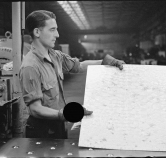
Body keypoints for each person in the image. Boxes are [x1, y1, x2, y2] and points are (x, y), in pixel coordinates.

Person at [19, 10, 125, 139]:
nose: (57, 34)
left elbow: (79, 66)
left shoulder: (55, 55)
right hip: (41, 130)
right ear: (37, 32)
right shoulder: (30, 66)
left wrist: (104, 61)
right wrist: (65, 114)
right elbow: (35, 109)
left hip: (58, 124)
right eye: (52, 30)